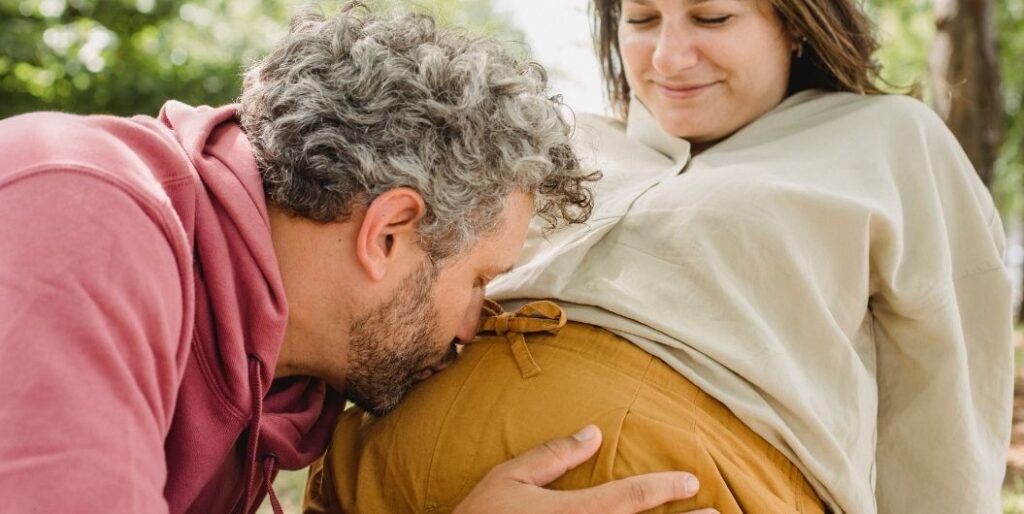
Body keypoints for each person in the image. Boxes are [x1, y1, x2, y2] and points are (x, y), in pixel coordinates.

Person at [305, 0, 1014, 513]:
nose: (670, 57)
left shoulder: (888, 139)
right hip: (373, 484)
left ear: (793, 21)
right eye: (642, 20)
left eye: (711, 19)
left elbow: (944, 392)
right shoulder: (556, 140)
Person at [0, 4, 708, 514]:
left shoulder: (282, 380)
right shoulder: (79, 207)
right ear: (388, 231)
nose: (475, 325)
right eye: (479, 280)